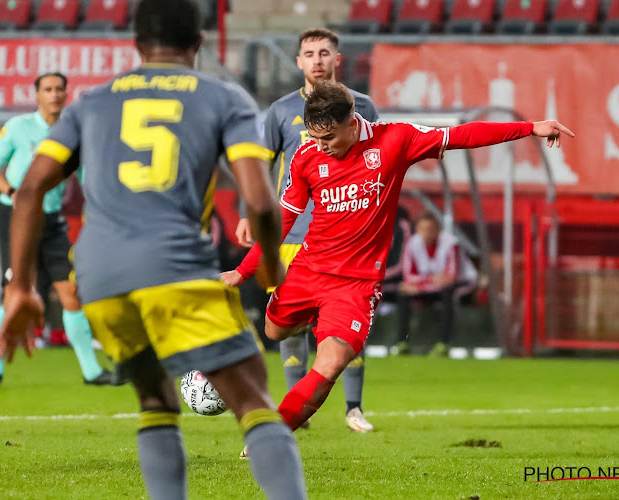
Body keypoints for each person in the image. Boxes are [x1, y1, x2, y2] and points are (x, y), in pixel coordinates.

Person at [0, 1, 307, 499]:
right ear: (199, 43)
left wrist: (21, 287)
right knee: (254, 401)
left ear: (136, 44)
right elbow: (261, 202)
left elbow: (29, 189)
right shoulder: (224, 99)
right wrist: (273, 272)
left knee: (156, 401)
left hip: (99, 277)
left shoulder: (89, 102)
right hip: (175, 265)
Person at [223, 81, 574, 438]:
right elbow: (284, 219)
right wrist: (242, 270)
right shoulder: (306, 155)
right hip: (308, 270)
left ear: (352, 122)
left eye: (328, 138)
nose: (321, 146)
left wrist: (530, 128)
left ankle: (270, 438)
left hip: (356, 286)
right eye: (315, 137)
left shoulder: (395, 140)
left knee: (330, 366)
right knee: (273, 331)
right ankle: (303, 322)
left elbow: (462, 135)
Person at [235, 28, 378, 433]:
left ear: (337, 59)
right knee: (289, 327)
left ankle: (354, 408)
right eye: (309, 54)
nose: (316, 60)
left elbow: (379, 159)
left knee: (345, 327)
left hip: (348, 233)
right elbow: (261, 164)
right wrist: (251, 212)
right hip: (292, 232)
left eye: (324, 53)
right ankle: (299, 410)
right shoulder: (280, 111)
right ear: (298, 62)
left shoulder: (362, 106)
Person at [0, 72, 112, 386]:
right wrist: (15, 195)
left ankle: (92, 372)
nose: (54, 94)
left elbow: (87, 178)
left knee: (71, 292)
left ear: (67, 94)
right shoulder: (17, 127)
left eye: (59, 89)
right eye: (47, 89)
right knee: (14, 291)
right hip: (12, 215)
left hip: (51, 220)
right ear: (36, 95)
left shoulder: (73, 132)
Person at [396, 212, 478, 355]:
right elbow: (408, 276)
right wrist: (432, 280)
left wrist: (421, 283)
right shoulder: (412, 243)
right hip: (431, 288)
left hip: (462, 286)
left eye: (430, 229)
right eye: (423, 230)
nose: (427, 233)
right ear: (418, 230)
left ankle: (443, 344)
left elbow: (451, 278)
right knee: (403, 293)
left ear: (438, 229)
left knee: (448, 294)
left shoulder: (451, 243)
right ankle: (402, 343)